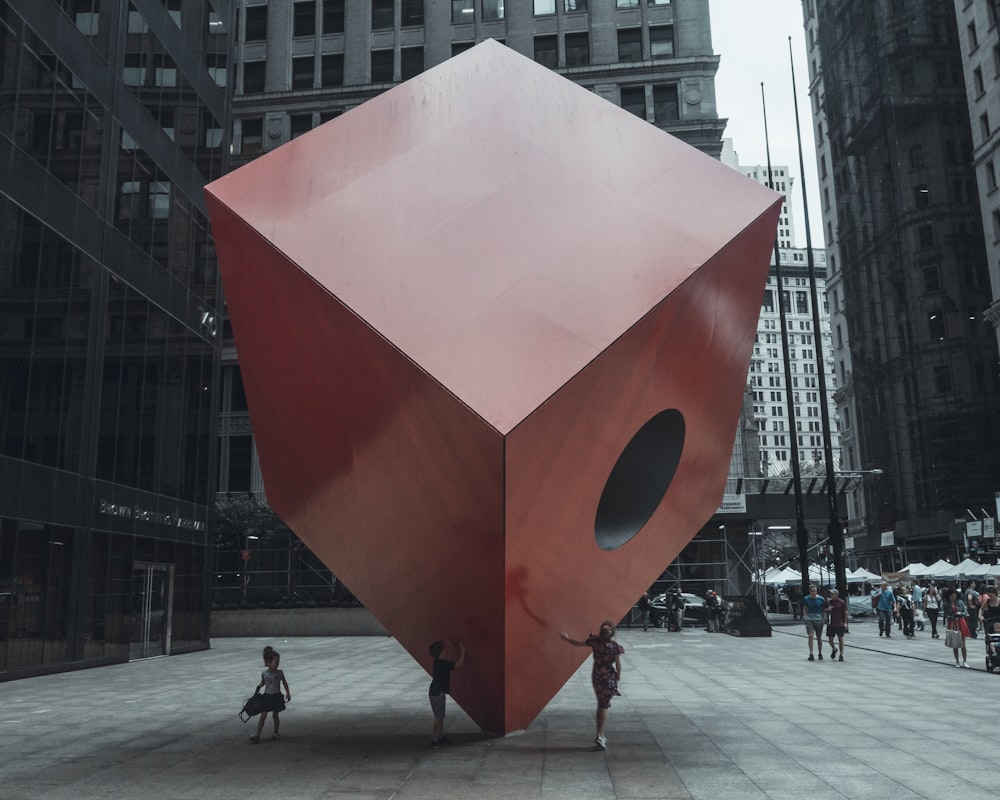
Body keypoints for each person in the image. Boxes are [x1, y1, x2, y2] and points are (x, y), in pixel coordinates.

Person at [560, 620, 624, 750]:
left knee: (601, 703)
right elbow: (618, 665)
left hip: (596, 675)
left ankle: (600, 735)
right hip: (607, 676)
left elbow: (578, 644)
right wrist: (618, 676)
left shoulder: (595, 642)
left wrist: (566, 638)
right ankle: (599, 736)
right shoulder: (614, 647)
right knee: (603, 705)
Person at [428, 639, 465, 748]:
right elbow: (459, 664)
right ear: (441, 653)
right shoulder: (444, 664)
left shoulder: (438, 663)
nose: (446, 651)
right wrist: (462, 651)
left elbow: (447, 656)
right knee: (438, 718)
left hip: (435, 692)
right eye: (445, 650)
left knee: (440, 716)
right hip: (437, 694)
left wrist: (450, 647)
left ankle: (439, 736)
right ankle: (435, 740)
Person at [250, 649, 291, 743]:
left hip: (276, 697)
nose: (277, 664)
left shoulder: (279, 673)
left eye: (278, 662)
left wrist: (288, 692)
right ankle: (257, 735)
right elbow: (263, 682)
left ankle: (276, 732)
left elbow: (285, 683)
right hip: (267, 697)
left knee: (275, 716)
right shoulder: (264, 674)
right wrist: (258, 687)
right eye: (275, 662)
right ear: (268, 662)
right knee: (263, 715)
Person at [942, 587, 970, 668]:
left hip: (961, 621)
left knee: (963, 643)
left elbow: (965, 612)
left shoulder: (960, 602)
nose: (953, 598)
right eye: (951, 596)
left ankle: (965, 661)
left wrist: (960, 614)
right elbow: (945, 614)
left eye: (954, 596)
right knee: (955, 643)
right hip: (952, 622)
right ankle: (957, 660)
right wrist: (952, 617)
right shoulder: (946, 604)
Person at [801, 584, 827, 661]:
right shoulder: (806, 599)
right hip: (810, 619)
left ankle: (820, 653)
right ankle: (811, 653)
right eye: (812, 591)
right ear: (810, 592)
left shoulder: (821, 599)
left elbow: (824, 610)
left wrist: (823, 619)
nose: (814, 593)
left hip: (819, 619)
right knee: (810, 636)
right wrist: (805, 617)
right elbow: (805, 608)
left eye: (815, 591)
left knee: (819, 637)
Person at [826, 587, 848, 662]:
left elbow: (845, 612)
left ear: (836, 595)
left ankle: (841, 654)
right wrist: (827, 609)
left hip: (839, 623)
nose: (831, 595)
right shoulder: (829, 602)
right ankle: (834, 649)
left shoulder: (841, 602)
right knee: (830, 640)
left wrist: (845, 623)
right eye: (830, 594)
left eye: (832, 594)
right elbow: (823, 610)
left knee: (840, 639)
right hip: (830, 623)